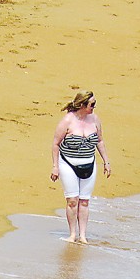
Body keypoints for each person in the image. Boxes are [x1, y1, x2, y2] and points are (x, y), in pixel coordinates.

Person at [50, 91, 112, 244]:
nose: (94, 107)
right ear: (82, 105)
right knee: (72, 200)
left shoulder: (95, 119)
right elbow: (56, 144)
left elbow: (100, 141)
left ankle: (82, 235)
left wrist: (106, 162)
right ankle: (72, 234)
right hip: (68, 164)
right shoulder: (67, 121)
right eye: (92, 105)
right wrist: (55, 167)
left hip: (89, 163)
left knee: (84, 201)